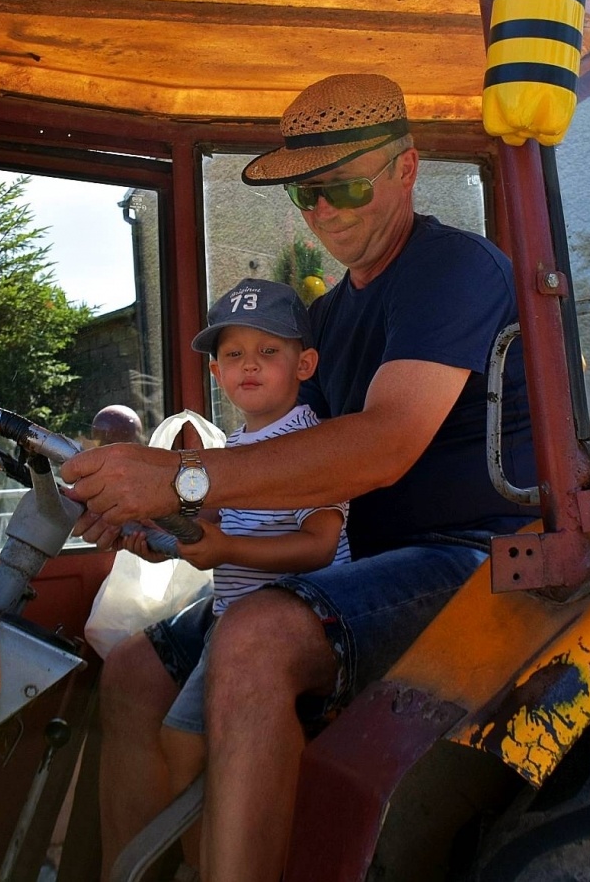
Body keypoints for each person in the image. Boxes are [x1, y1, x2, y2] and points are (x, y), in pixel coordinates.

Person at [60, 73, 536, 881]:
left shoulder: (452, 271)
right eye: (305, 195)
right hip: (357, 561)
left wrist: (177, 476)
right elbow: (298, 457)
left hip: (475, 557)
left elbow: (383, 443)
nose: (324, 212)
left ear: (407, 168)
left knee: (255, 639)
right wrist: (178, 522)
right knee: (138, 668)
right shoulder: (326, 317)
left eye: (345, 185)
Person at [127, 277, 350, 874]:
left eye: (268, 352)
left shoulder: (309, 443)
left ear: (304, 363)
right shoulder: (234, 449)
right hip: (233, 619)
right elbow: (211, 527)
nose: (249, 366)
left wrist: (224, 544)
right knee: (179, 739)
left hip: (299, 619)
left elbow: (321, 545)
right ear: (217, 373)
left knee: (195, 743)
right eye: (233, 355)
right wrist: (163, 537)